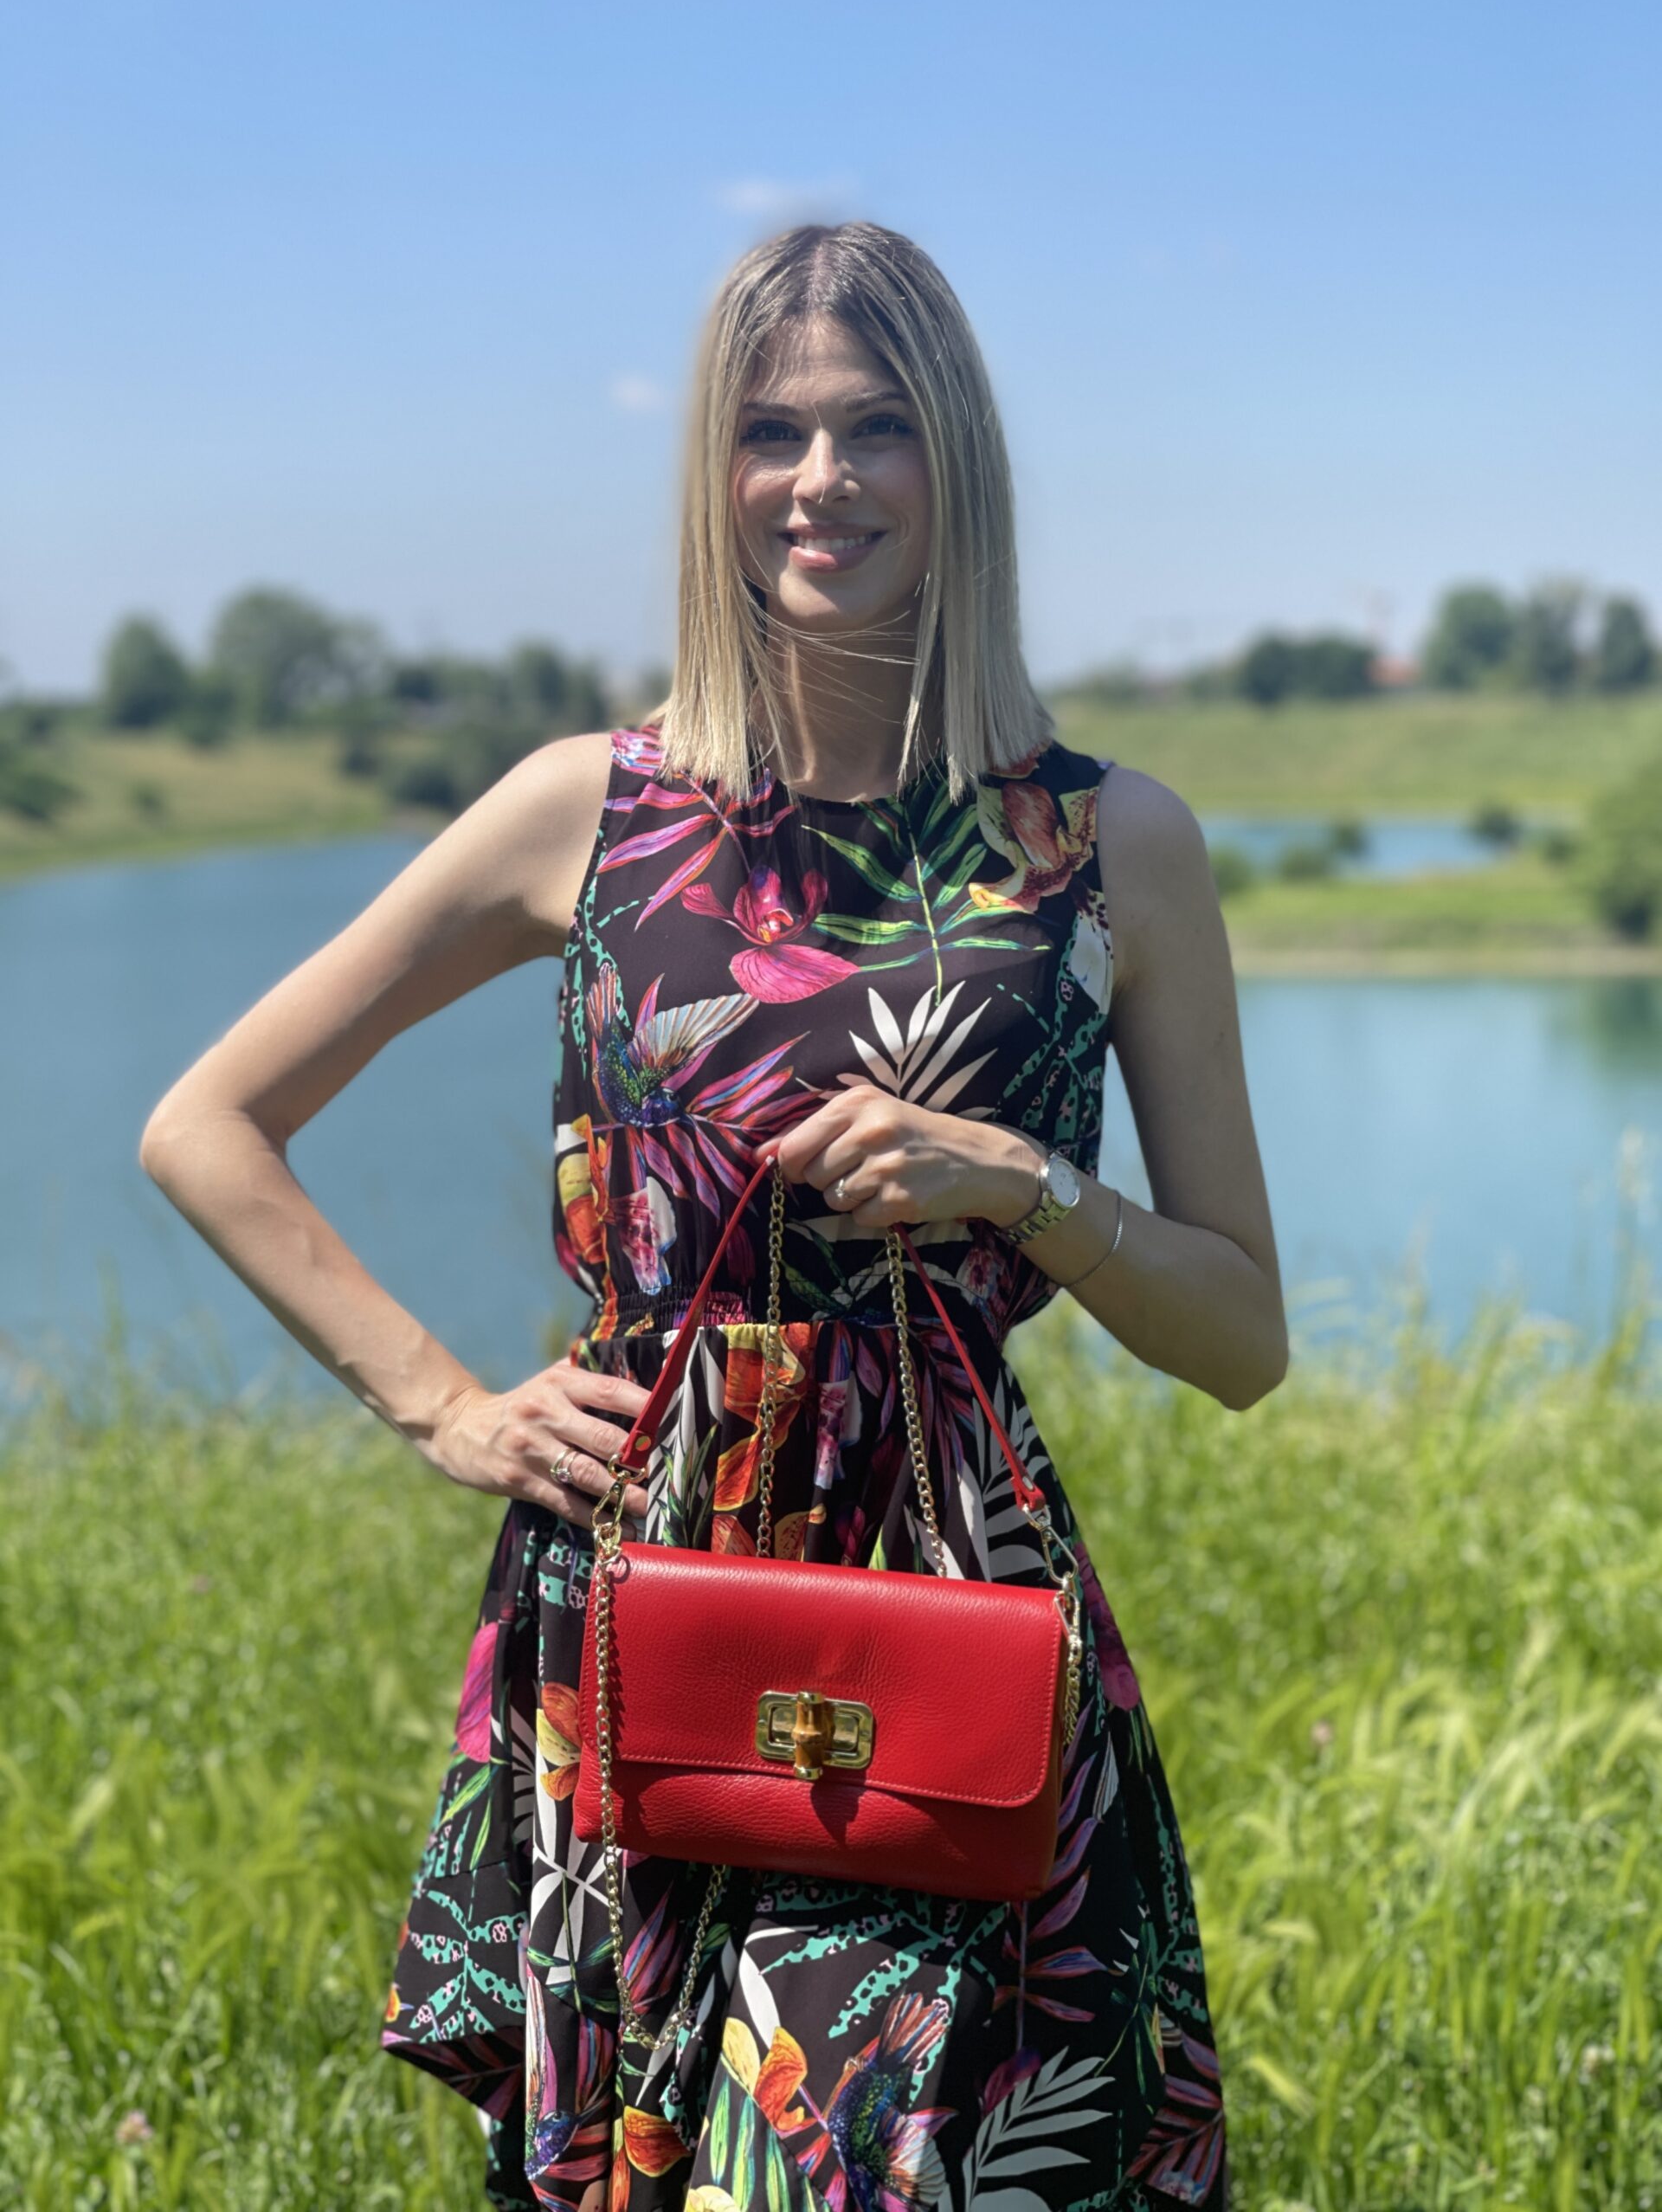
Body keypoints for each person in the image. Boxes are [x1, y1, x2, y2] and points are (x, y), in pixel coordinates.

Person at [141, 219, 1284, 2210]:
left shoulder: (1110, 842)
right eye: (772, 431)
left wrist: (1031, 1185)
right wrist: (446, 1405)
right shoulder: (590, 808)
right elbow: (211, 1123)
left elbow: (1245, 1336)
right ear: (714, 469)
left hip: (953, 1603)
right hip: (635, 1592)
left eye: (875, 426)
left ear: (956, 457)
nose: (821, 479)